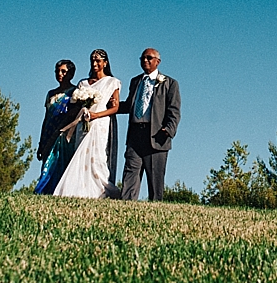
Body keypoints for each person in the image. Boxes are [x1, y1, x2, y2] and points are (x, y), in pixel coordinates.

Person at [54, 49, 122, 199]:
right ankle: (78, 189)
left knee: (97, 158)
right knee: (80, 154)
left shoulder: (112, 82)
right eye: (92, 60)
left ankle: (100, 191)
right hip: (82, 123)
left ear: (105, 63)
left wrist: (96, 115)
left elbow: (115, 108)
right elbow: (73, 106)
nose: (95, 63)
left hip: (100, 124)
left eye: (98, 60)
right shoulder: (83, 83)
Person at [120, 48, 180, 201]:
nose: (145, 61)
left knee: (155, 180)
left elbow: (174, 110)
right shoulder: (135, 81)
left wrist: (169, 129)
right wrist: (106, 105)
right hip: (135, 135)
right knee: (130, 173)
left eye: (149, 58)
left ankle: (156, 210)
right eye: (142, 58)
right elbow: (129, 105)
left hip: (157, 135)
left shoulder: (169, 83)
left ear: (157, 61)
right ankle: (126, 206)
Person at [34, 59, 79, 195]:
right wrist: (41, 141)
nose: (60, 74)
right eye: (57, 71)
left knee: (60, 164)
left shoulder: (74, 92)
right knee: (47, 165)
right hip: (49, 133)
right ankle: (43, 192)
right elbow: (46, 116)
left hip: (64, 135)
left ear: (71, 74)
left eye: (63, 71)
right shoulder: (51, 94)